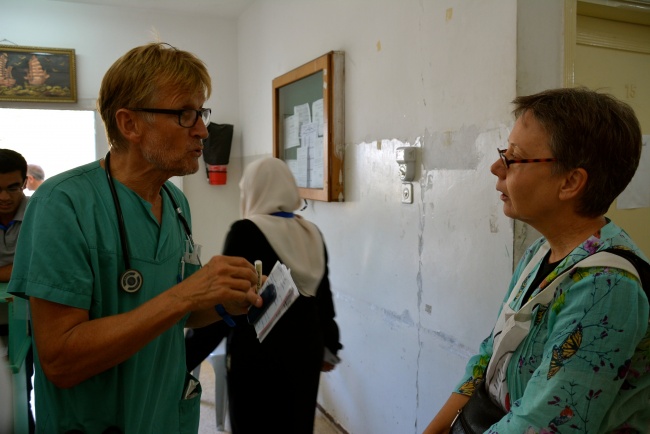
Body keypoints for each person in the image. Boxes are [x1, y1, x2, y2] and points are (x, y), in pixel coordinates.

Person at [8, 43, 263, 434]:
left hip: (164, 414)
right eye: (185, 114)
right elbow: (60, 360)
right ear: (130, 124)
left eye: (201, 113)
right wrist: (188, 293)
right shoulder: (63, 204)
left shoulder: (175, 202)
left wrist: (224, 302)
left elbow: (178, 311)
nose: (202, 130)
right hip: (97, 423)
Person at [423, 88, 649, 434]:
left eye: (514, 158)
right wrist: (437, 428)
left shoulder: (606, 287)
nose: (496, 167)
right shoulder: (542, 252)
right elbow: (491, 352)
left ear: (571, 181)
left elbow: (541, 425)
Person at [220, 157, 342, 433]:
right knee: (297, 423)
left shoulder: (245, 231)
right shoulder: (311, 232)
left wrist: (186, 356)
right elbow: (324, 296)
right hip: (305, 351)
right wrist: (330, 345)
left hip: (256, 356)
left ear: (253, 190)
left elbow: (224, 298)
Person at [0, 148, 35, 433]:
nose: (3, 197)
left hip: (30, 319)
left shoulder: (42, 213)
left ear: (25, 181)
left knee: (22, 387)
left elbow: (38, 266)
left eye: (12, 187)